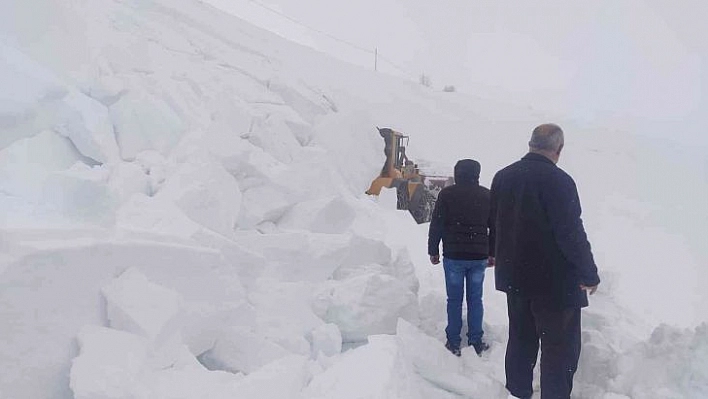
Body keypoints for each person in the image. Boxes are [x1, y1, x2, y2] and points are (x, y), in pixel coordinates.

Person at [489, 124, 600, 399]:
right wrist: (589, 273)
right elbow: (570, 232)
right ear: (558, 149)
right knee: (559, 353)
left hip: (515, 278)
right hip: (554, 285)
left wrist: (493, 252)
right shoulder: (559, 181)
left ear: (530, 143)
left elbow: (495, 222)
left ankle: (516, 394)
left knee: (520, 343)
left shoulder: (503, 177)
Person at [428, 159, 493, 357]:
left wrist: (433, 250)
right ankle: (475, 341)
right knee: (475, 299)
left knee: (454, 300)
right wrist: (493, 252)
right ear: (477, 174)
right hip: (478, 257)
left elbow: (437, 223)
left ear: (457, 174)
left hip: (454, 256)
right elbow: (496, 226)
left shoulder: (447, 195)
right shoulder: (486, 195)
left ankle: (453, 342)